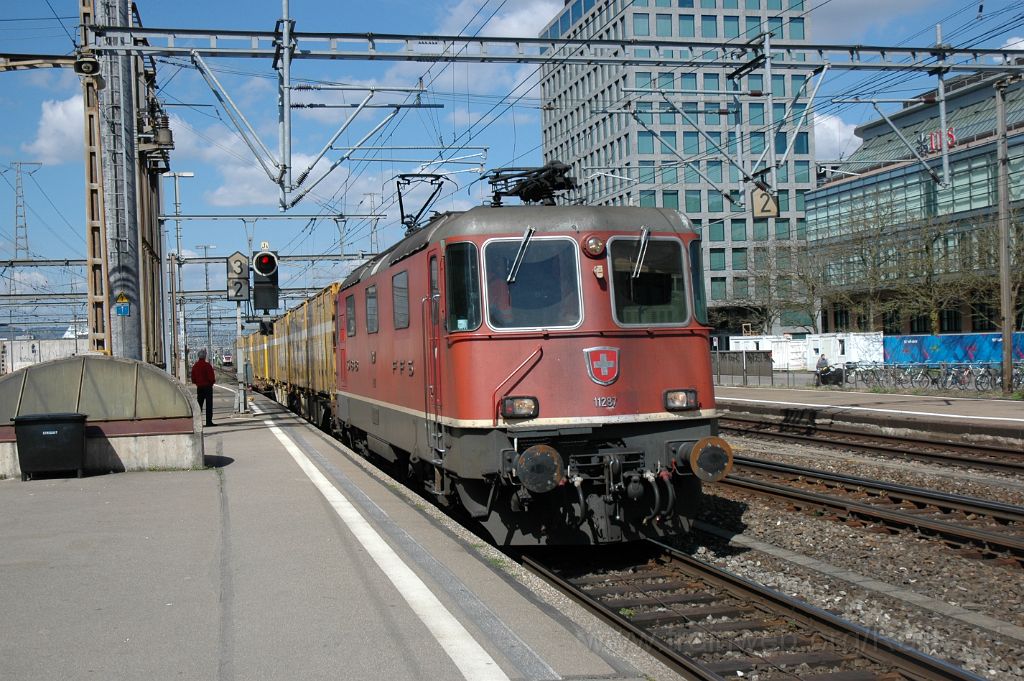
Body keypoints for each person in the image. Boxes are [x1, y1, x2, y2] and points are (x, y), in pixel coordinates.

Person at [191, 349, 216, 427]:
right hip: (208, 387)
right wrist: (211, 383)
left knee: (199, 405)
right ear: (205, 356)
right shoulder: (207, 365)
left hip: (200, 387)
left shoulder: (195, 366)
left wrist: (197, 383)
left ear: (198, 356)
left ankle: (198, 422)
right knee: (209, 405)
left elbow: (193, 378)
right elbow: (211, 377)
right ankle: (209, 422)